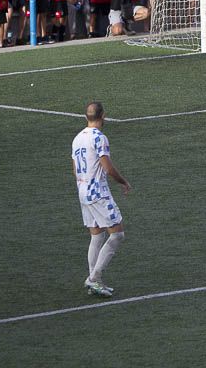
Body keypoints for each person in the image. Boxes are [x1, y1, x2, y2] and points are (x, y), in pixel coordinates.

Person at [72, 101, 131, 298]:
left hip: (82, 189)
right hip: (98, 191)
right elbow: (107, 167)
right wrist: (123, 181)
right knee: (117, 235)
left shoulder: (77, 138)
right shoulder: (99, 138)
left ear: (86, 116)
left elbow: (75, 169)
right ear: (103, 116)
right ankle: (94, 278)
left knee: (97, 236)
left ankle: (94, 282)